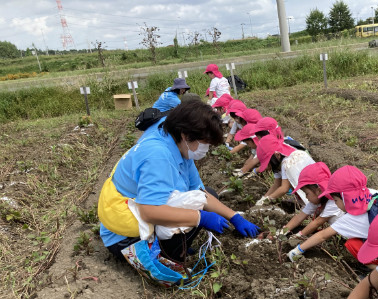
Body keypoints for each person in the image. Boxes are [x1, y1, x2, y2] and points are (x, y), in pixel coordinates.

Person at [98, 99, 259, 264]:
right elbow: (149, 211)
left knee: (208, 196)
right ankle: (166, 254)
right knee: (196, 212)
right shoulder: (158, 155)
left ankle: (173, 244)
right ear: (186, 135)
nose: (206, 149)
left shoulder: (177, 141)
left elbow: (200, 192)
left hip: (139, 212)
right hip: (125, 239)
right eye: (205, 143)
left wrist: (234, 217)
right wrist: (200, 218)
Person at [286, 166, 378, 264]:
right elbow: (300, 216)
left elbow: (322, 234)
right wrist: (283, 231)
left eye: (336, 200)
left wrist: (298, 249)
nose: (335, 203)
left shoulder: (350, 217)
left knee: (353, 245)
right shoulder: (372, 198)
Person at [282, 162, 345, 237]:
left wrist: (298, 236)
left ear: (318, 191)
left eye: (306, 193)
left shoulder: (334, 202)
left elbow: (317, 223)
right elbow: (299, 217)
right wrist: (281, 232)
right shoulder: (318, 199)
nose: (306, 197)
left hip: (350, 237)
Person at [254, 134, 315, 206]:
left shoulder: (289, 162)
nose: (268, 167)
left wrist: (267, 199)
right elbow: (277, 184)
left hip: (313, 192)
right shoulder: (280, 160)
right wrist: (263, 198)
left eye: (268, 162)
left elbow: (284, 188)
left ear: (276, 155)